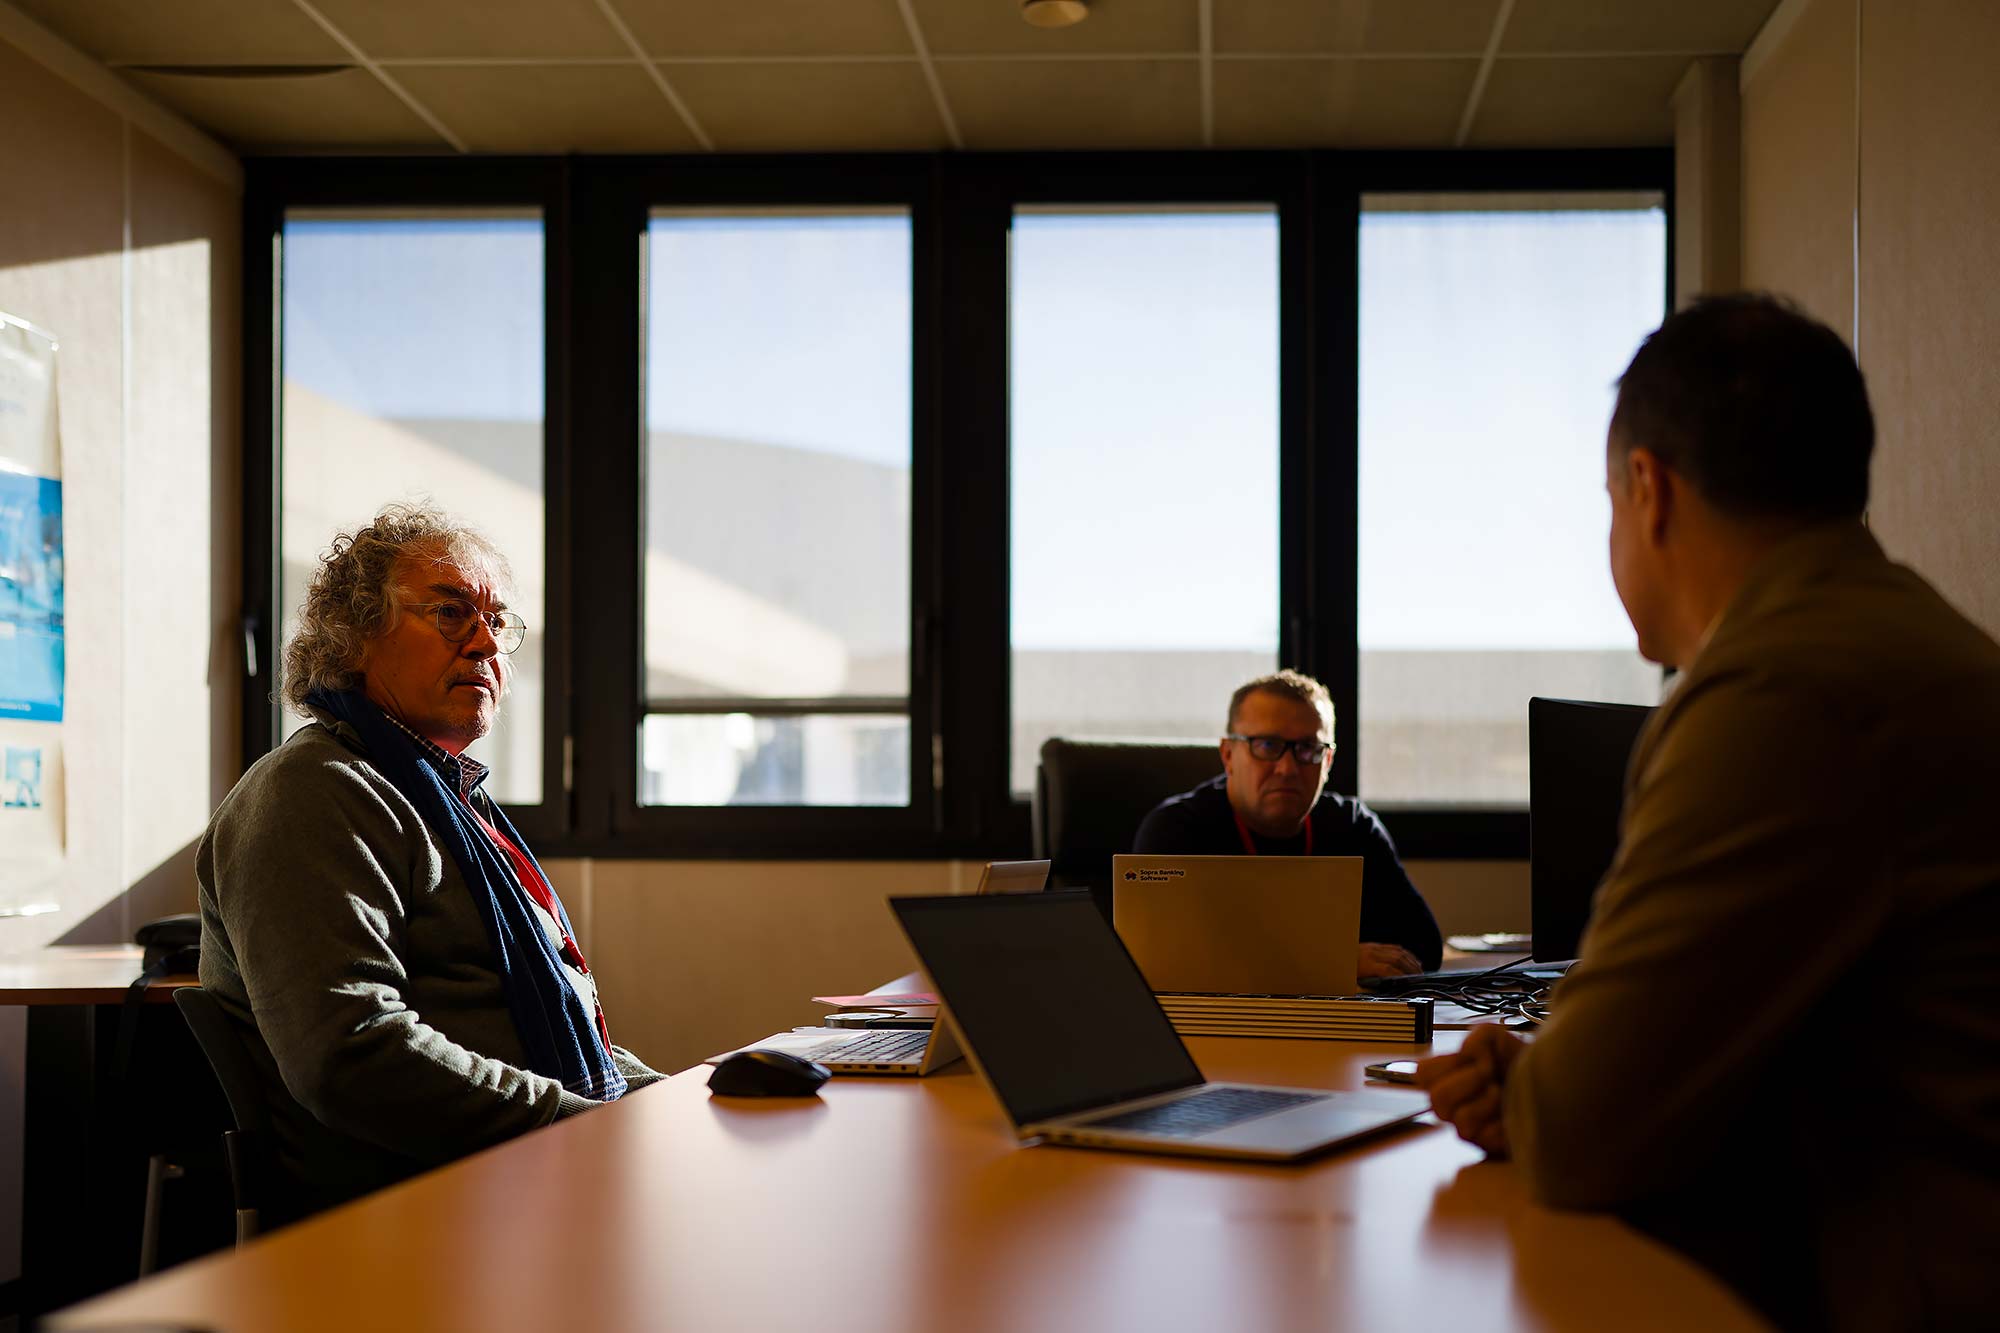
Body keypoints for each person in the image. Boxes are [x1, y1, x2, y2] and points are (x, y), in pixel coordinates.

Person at [1416, 295, 2000, 1331]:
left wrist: (1545, 1092)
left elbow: (1584, 1131)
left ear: (1648, 490)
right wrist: (1556, 1078)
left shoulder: (1779, 692)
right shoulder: (1905, 638)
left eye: (1607, 500)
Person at [196, 502, 662, 1216]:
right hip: (422, 1215)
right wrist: (583, 1128)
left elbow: (547, 1027)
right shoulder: (312, 791)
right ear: (355, 636)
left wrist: (672, 1100)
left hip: (513, 1182)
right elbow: (351, 1053)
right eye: (450, 614)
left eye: (497, 621)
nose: (486, 643)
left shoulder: (445, 797)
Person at [1132, 670, 1443, 976]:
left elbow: (1423, 947)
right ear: (1228, 755)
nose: (1287, 768)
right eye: (1267, 746)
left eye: (1308, 749)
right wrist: (1332, 959)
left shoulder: (1353, 827)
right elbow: (1161, 957)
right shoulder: (1176, 831)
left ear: (1328, 762)